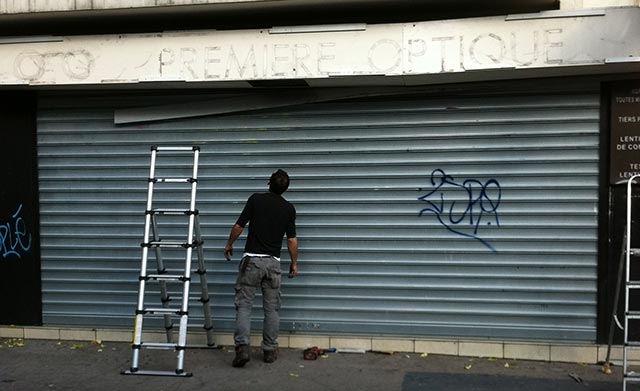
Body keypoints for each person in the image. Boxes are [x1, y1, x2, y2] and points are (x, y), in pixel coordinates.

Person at [223, 169, 298, 367]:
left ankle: (242, 349)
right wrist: (294, 263)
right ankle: (269, 351)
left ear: (268, 183)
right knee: (272, 309)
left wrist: (229, 243)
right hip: (273, 264)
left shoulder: (255, 200)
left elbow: (239, 226)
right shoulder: (289, 209)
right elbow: (291, 240)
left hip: (252, 262)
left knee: (244, 305)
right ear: (286, 189)